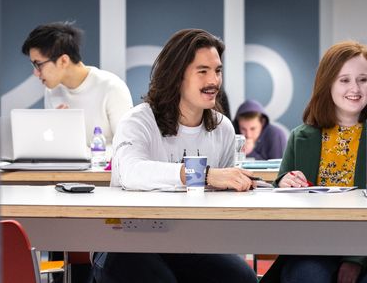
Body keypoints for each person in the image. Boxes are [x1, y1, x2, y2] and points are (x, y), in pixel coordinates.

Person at [94, 28, 258, 283]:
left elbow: (222, 197)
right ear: (176, 76)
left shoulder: (222, 127)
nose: (214, 80)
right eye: (202, 71)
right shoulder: (138, 121)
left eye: (217, 70)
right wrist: (202, 175)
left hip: (188, 243)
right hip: (126, 240)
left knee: (242, 278)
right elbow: (131, 173)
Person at [262, 41, 367, 283]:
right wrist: (284, 181)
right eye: (344, 80)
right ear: (327, 83)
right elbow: (280, 195)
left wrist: (355, 259)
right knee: (307, 276)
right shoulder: (300, 137)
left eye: (363, 79)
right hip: (314, 245)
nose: (355, 88)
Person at [21, 21, 133, 143]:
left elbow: (127, 147)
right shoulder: (51, 91)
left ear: (63, 61)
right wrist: (56, 129)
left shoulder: (112, 87)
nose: (35, 73)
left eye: (38, 64)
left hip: (104, 162)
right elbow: (55, 147)